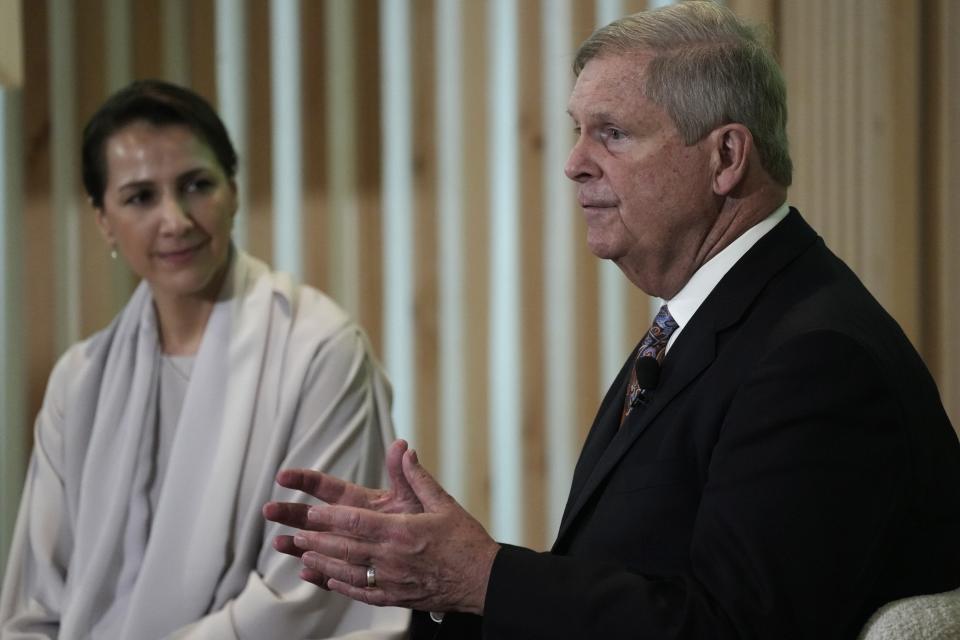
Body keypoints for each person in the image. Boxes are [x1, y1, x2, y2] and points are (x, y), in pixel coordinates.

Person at [263, 2, 960, 638]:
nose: (572, 164)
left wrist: (483, 577)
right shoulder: (714, 320)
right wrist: (454, 584)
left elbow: (738, 630)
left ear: (725, 157)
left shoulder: (815, 360)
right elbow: (631, 580)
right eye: (576, 132)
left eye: (613, 134)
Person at [0, 80, 408, 638]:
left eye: (196, 185)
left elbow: (307, 592)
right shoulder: (79, 381)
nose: (176, 220)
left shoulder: (321, 350)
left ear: (233, 190)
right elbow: (35, 605)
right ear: (102, 220)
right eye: (140, 197)